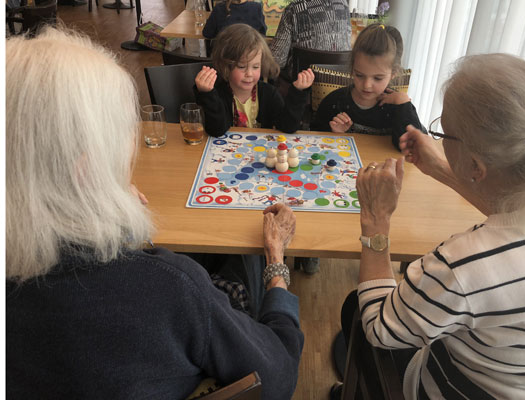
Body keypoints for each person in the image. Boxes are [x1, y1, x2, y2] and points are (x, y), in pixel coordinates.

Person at [6, 27, 303, 400]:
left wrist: (93, 200)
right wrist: (276, 261)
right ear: (86, 169)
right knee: (247, 262)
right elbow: (279, 374)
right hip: (213, 327)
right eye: (124, 130)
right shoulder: (171, 286)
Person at [334, 53, 525, 399]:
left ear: (476, 166)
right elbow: (519, 217)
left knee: (357, 308)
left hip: (465, 392)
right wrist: (443, 170)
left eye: (444, 132)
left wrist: (374, 218)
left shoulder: (466, 262)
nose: (439, 140)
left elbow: (380, 329)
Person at [311, 23, 423, 151]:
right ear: (352, 68)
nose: (367, 85)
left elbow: (412, 148)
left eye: (377, 78)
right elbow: (314, 140)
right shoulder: (335, 102)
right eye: (359, 75)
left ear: (393, 74)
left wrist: (403, 104)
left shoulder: (398, 105)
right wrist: (333, 134)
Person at [194, 23, 314, 138]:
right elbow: (216, 130)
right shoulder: (218, 93)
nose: (250, 74)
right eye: (241, 66)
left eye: (256, 67)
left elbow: (288, 126)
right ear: (226, 66)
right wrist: (207, 94)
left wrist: (298, 92)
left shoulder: (269, 93)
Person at [269, 0, 352, 78]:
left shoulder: (294, 9)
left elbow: (277, 62)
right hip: (337, 84)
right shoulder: (344, 5)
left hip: (301, 86)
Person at [202, 0, 266, 39]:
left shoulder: (219, 8)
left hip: (225, 57)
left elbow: (207, 33)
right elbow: (262, 33)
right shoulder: (257, 7)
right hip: (250, 57)